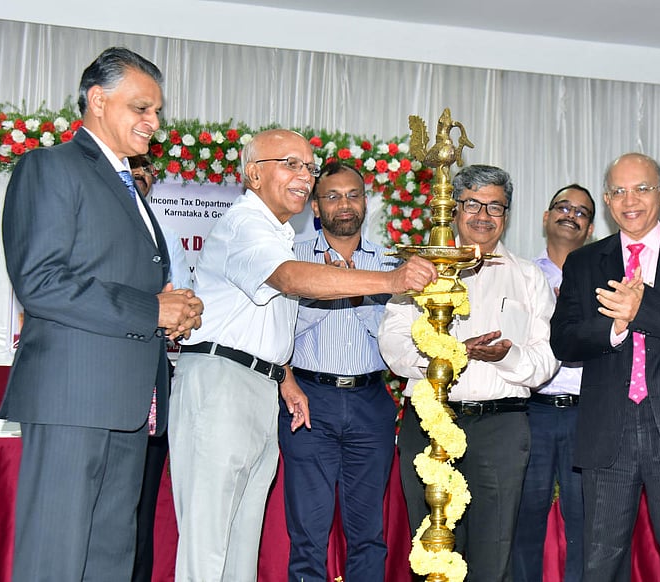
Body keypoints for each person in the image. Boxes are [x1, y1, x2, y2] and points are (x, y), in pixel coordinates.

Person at [168, 128, 437, 582]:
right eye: (290, 164)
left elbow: (270, 322)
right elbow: (290, 279)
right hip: (222, 383)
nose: (304, 175)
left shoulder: (275, 232)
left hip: (263, 385)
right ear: (253, 174)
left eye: (308, 167)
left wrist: (284, 378)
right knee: (209, 543)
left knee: (240, 542)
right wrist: (391, 281)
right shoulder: (246, 224)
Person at [0, 46, 203, 582]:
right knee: (56, 561)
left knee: (109, 561)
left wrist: (173, 311)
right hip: (73, 397)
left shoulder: (126, 183)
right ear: (97, 100)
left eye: (157, 111)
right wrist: (151, 308)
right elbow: (41, 283)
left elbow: (123, 281)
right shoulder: (50, 167)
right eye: (141, 108)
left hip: (127, 405)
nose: (153, 122)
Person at [550, 153, 660, 581]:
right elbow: (564, 341)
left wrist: (642, 308)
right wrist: (614, 327)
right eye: (618, 191)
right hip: (607, 429)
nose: (629, 200)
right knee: (599, 564)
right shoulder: (584, 262)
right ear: (607, 201)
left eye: (641, 189)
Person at [379, 164, 559, 581]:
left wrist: (504, 358)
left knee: (493, 555)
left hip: (500, 427)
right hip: (429, 424)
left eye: (495, 206)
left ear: (507, 214)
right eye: (473, 204)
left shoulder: (528, 277)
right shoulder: (421, 271)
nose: (483, 216)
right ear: (454, 209)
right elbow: (393, 347)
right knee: (431, 549)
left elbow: (546, 361)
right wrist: (449, 358)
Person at [279, 161, 400, 581]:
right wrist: (329, 287)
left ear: (365, 202)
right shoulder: (292, 259)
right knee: (308, 534)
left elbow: (396, 341)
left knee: (369, 534)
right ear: (315, 207)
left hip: (371, 400)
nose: (344, 204)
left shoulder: (389, 263)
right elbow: (280, 334)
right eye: (332, 196)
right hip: (309, 399)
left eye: (352, 195)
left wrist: (359, 291)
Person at [513, 184, 595, 582]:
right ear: (546, 218)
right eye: (563, 207)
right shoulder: (522, 276)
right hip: (534, 411)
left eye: (581, 212)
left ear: (590, 228)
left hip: (588, 414)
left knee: (585, 518)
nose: (570, 215)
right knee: (525, 515)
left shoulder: (602, 278)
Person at [127, 153, 193, 582]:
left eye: (146, 170)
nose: (140, 176)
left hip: (152, 378)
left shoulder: (164, 234)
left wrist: (180, 316)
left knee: (142, 506)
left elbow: (183, 303)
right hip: (101, 376)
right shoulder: (92, 225)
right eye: (130, 168)